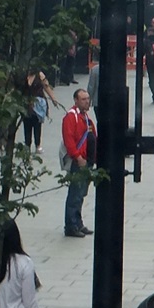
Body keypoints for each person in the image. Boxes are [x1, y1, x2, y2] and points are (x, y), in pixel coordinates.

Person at [61, 87, 97, 237]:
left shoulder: (86, 117)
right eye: (83, 99)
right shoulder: (71, 117)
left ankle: (78, 222)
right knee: (75, 193)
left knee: (81, 193)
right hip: (79, 161)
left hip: (87, 160)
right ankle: (71, 225)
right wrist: (78, 157)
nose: (87, 101)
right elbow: (69, 140)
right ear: (76, 100)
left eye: (88, 98)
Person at [18, 68, 60, 155]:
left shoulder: (40, 75)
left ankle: (38, 145)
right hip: (26, 104)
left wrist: (53, 99)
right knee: (27, 124)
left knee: (37, 124)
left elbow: (46, 87)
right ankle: (27, 145)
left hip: (38, 104)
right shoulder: (23, 75)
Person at [86, 45, 101, 120]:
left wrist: (88, 100)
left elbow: (91, 86)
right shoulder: (114, 70)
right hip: (110, 102)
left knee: (99, 120)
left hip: (97, 100)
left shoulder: (95, 70)